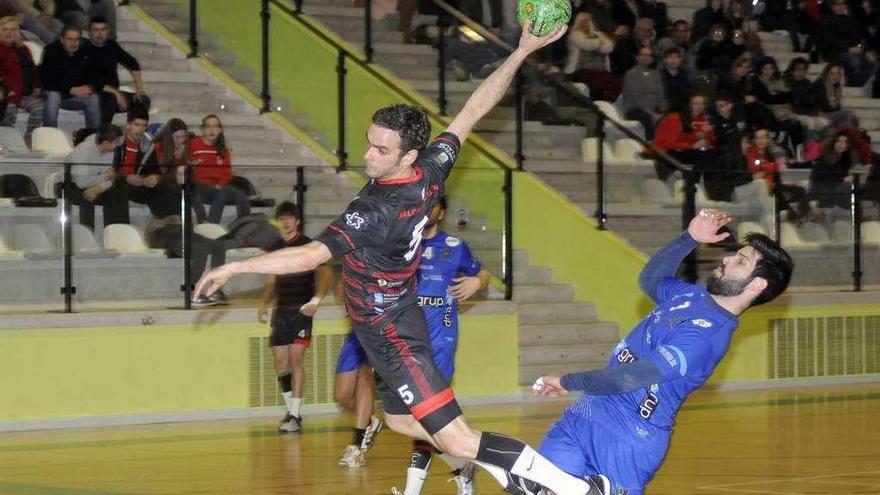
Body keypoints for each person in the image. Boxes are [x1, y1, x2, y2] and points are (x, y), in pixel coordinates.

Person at [193, 24, 614, 495]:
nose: (368, 155)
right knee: (398, 421)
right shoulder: (431, 169)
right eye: (369, 142)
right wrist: (521, 51)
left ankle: (577, 489)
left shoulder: (375, 211)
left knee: (455, 436)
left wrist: (234, 267)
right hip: (386, 321)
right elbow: (474, 109)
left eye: (380, 150)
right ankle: (509, 470)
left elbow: (311, 254)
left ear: (407, 153)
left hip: (392, 331)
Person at [523, 208, 793, 495]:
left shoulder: (706, 337)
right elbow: (650, 280)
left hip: (628, 439)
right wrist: (689, 238)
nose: (727, 258)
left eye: (741, 261)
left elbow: (626, 379)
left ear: (757, 285)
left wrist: (567, 381)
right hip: (585, 415)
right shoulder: (692, 295)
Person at [392, 196, 490, 495]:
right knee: (421, 420)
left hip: (441, 347)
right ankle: (462, 467)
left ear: (441, 212)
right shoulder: (405, 246)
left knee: (425, 416)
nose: (427, 210)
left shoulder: (455, 247)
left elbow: (482, 273)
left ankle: (412, 491)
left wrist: (477, 283)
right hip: (408, 346)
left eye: (433, 206)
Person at [256, 202, 332, 433]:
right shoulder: (275, 248)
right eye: (282, 218)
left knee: (296, 360)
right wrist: (263, 302)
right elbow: (271, 280)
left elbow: (326, 274)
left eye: (290, 217)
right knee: (281, 363)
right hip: (281, 311)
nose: (286, 222)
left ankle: (295, 414)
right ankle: (291, 412)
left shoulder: (309, 246)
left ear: (297, 221)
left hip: (301, 311)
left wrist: (315, 301)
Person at [84, 16, 147, 124]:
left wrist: (139, 88)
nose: (99, 33)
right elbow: (93, 81)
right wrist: (117, 94)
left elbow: (133, 63)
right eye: (96, 30)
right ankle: (102, 134)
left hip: (114, 93)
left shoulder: (112, 46)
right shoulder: (84, 49)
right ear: (89, 32)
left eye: (103, 29)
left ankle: (133, 129)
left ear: (107, 31)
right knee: (111, 100)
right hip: (95, 93)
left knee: (144, 100)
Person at [189, 114, 250, 224]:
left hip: (220, 187)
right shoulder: (193, 144)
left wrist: (220, 185)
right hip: (199, 187)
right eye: (208, 126)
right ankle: (211, 227)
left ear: (220, 130)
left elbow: (227, 173)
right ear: (202, 129)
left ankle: (243, 225)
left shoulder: (223, 150)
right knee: (220, 194)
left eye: (215, 126)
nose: (212, 130)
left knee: (241, 195)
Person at [39, 24, 101, 129]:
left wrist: (89, 88)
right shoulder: (51, 51)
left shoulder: (87, 50)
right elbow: (48, 81)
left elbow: (96, 76)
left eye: (77, 39)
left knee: (93, 98)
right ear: (62, 40)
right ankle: (49, 134)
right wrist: (71, 89)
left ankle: (93, 137)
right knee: (54, 96)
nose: (73, 43)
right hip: (53, 93)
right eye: (70, 39)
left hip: (73, 97)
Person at [67, 123, 126, 230]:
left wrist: (99, 188)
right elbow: (81, 183)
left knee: (118, 190)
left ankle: (116, 231)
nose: (118, 145)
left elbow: (110, 177)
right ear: (105, 143)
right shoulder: (83, 151)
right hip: (72, 186)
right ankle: (87, 236)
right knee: (87, 195)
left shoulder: (110, 151)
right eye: (116, 142)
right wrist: (103, 178)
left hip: (94, 185)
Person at [0, 17, 42, 139]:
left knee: (39, 108)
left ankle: (29, 138)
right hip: (6, 95)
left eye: (13, 29)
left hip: (25, 93)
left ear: (18, 32)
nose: (9, 32)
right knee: (9, 109)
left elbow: (33, 71)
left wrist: (36, 86)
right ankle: (6, 139)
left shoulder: (24, 49)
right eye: (5, 29)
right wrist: (5, 90)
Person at [622, 45, 666, 140]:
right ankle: (650, 146)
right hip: (635, 109)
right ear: (637, 57)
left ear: (652, 59)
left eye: (649, 55)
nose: (646, 58)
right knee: (648, 118)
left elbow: (661, 95)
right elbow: (635, 98)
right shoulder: (631, 74)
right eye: (643, 55)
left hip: (654, 110)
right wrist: (651, 113)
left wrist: (663, 110)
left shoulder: (657, 75)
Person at [809, 132, 853, 209]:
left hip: (834, 188)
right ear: (833, 143)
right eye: (838, 141)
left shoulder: (844, 158)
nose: (840, 144)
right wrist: (843, 179)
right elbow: (825, 178)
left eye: (843, 142)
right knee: (846, 187)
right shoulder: (827, 157)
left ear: (847, 145)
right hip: (822, 189)